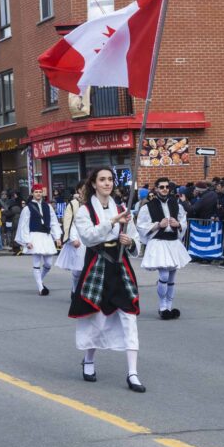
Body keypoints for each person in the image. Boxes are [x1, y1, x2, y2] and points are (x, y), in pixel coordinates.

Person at [69, 168, 145, 393]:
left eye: (110, 179)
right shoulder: (84, 211)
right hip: (98, 266)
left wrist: (130, 241)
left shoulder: (122, 209)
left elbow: (136, 240)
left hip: (120, 266)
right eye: (102, 180)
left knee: (129, 317)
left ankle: (132, 373)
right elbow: (89, 237)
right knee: (98, 319)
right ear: (94, 184)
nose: (107, 183)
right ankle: (88, 359)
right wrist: (112, 221)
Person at [137, 177, 191, 320]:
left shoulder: (176, 204)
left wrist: (178, 225)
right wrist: (157, 225)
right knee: (164, 276)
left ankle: (169, 306)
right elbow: (141, 225)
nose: (165, 189)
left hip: (173, 242)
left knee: (172, 276)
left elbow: (183, 221)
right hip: (159, 242)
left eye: (167, 187)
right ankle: (162, 306)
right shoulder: (148, 206)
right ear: (156, 189)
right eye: (161, 187)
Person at [15, 183, 62, 295]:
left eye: (40, 192)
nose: (38, 194)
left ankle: (39, 280)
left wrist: (57, 237)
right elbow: (24, 225)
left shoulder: (48, 207)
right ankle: (41, 288)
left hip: (46, 236)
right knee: (36, 262)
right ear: (32, 193)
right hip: (34, 236)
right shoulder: (27, 208)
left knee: (48, 264)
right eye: (36, 192)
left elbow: (54, 222)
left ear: (42, 193)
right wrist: (27, 241)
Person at [54, 186, 85, 293]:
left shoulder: (94, 202)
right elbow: (69, 222)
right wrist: (73, 238)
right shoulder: (73, 204)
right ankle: (75, 290)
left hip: (90, 236)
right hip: (78, 238)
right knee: (78, 267)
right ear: (78, 190)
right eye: (83, 188)